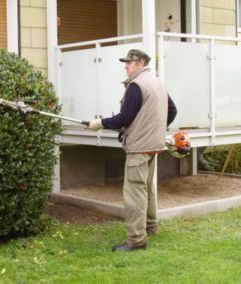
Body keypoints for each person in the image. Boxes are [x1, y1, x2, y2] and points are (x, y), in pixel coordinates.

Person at [87, 49, 177, 252]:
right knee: (147, 188)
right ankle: (151, 227)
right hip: (154, 145)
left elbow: (124, 119)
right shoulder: (156, 82)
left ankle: (137, 240)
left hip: (139, 148)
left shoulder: (137, 85)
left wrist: (98, 123)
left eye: (130, 62)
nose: (126, 66)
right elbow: (172, 111)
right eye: (126, 62)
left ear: (141, 62)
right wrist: (154, 129)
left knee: (135, 192)